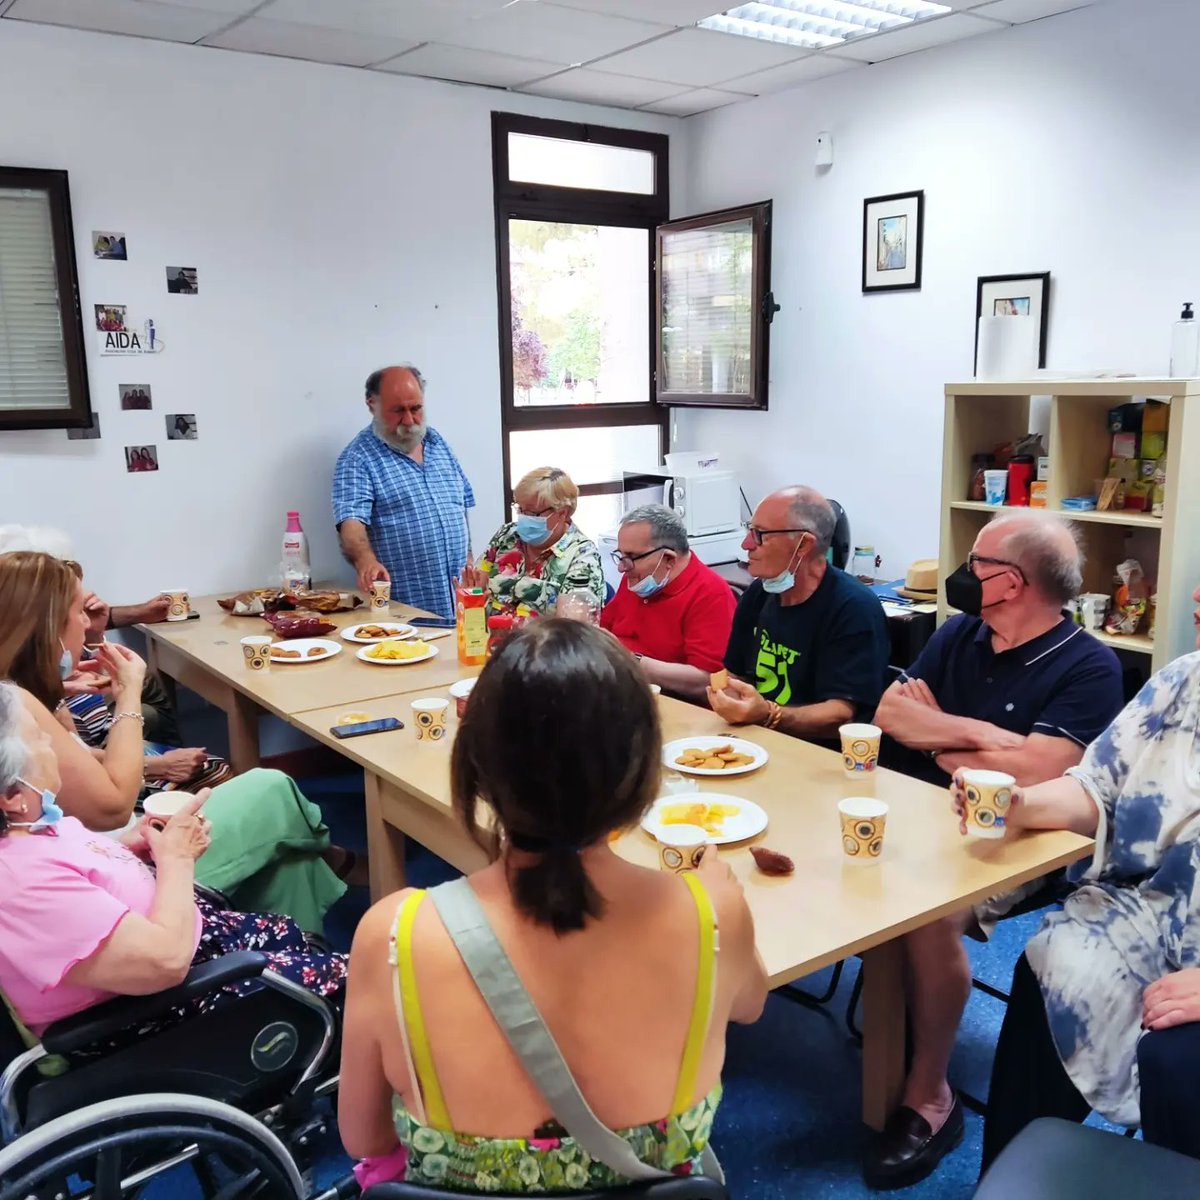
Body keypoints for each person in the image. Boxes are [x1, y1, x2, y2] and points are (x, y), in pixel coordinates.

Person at [338, 620, 767, 1192]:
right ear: (641, 773)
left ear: (477, 769)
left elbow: (365, 1140)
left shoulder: (395, 934)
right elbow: (750, 1006)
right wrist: (721, 896)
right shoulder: (713, 914)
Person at [864, 511, 1124, 1189]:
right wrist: (980, 745)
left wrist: (940, 731)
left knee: (927, 912)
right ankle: (892, 1025)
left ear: (1010, 582)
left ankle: (930, 1097)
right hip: (916, 810)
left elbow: (1039, 776)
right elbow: (891, 714)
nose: (963, 572)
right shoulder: (959, 633)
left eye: (976, 562)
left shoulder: (1090, 665)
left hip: (1015, 838)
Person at [0, 551, 361, 931]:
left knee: (287, 865)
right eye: (79, 613)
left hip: (100, 854)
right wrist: (128, 692)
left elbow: (78, 763)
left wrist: (56, 696)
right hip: (114, 871)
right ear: (47, 629)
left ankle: (299, 970)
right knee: (270, 787)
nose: (87, 624)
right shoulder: (15, 704)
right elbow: (114, 808)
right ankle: (330, 855)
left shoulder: (26, 692)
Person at [977, 583, 1200, 1169]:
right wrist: (1021, 805)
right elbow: (1096, 783)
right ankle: (1008, 1174)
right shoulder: (1182, 681)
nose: (1197, 594)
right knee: (1054, 961)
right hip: (1147, 911)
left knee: (1175, 1063)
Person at [0, 681, 346, 1045]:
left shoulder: (33, 828)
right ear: (12, 796)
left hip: (197, 950)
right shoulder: (18, 881)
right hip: (166, 1010)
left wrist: (125, 851)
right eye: (39, 740)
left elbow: (76, 887)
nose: (52, 745)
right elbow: (164, 963)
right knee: (378, 984)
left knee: (297, 934)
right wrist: (177, 858)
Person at [709, 485, 889, 743]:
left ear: (803, 544)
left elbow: (840, 715)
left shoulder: (853, 608)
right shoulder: (758, 594)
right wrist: (726, 695)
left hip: (820, 757)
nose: (746, 544)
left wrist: (769, 714)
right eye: (749, 530)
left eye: (759, 534)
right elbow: (735, 674)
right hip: (757, 740)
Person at [333, 364, 475, 619]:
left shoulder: (437, 442)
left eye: (416, 408)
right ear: (372, 405)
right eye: (398, 411)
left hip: (460, 610)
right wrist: (365, 560)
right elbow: (351, 523)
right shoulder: (358, 458)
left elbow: (460, 506)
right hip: (405, 617)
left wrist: (469, 560)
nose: (409, 421)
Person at [600, 504, 736, 701]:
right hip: (623, 692)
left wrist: (629, 660)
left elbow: (710, 681)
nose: (622, 568)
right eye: (620, 556)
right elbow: (605, 630)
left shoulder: (711, 594)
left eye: (631, 557)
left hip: (676, 706)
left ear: (669, 559)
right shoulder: (638, 579)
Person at [458, 467, 603, 621]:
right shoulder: (507, 536)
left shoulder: (582, 556)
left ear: (562, 513)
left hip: (539, 644)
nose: (523, 518)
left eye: (532, 513)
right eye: (520, 509)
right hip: (485, 640)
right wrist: (470, 599)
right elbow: (476, 586)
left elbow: (572, 630)